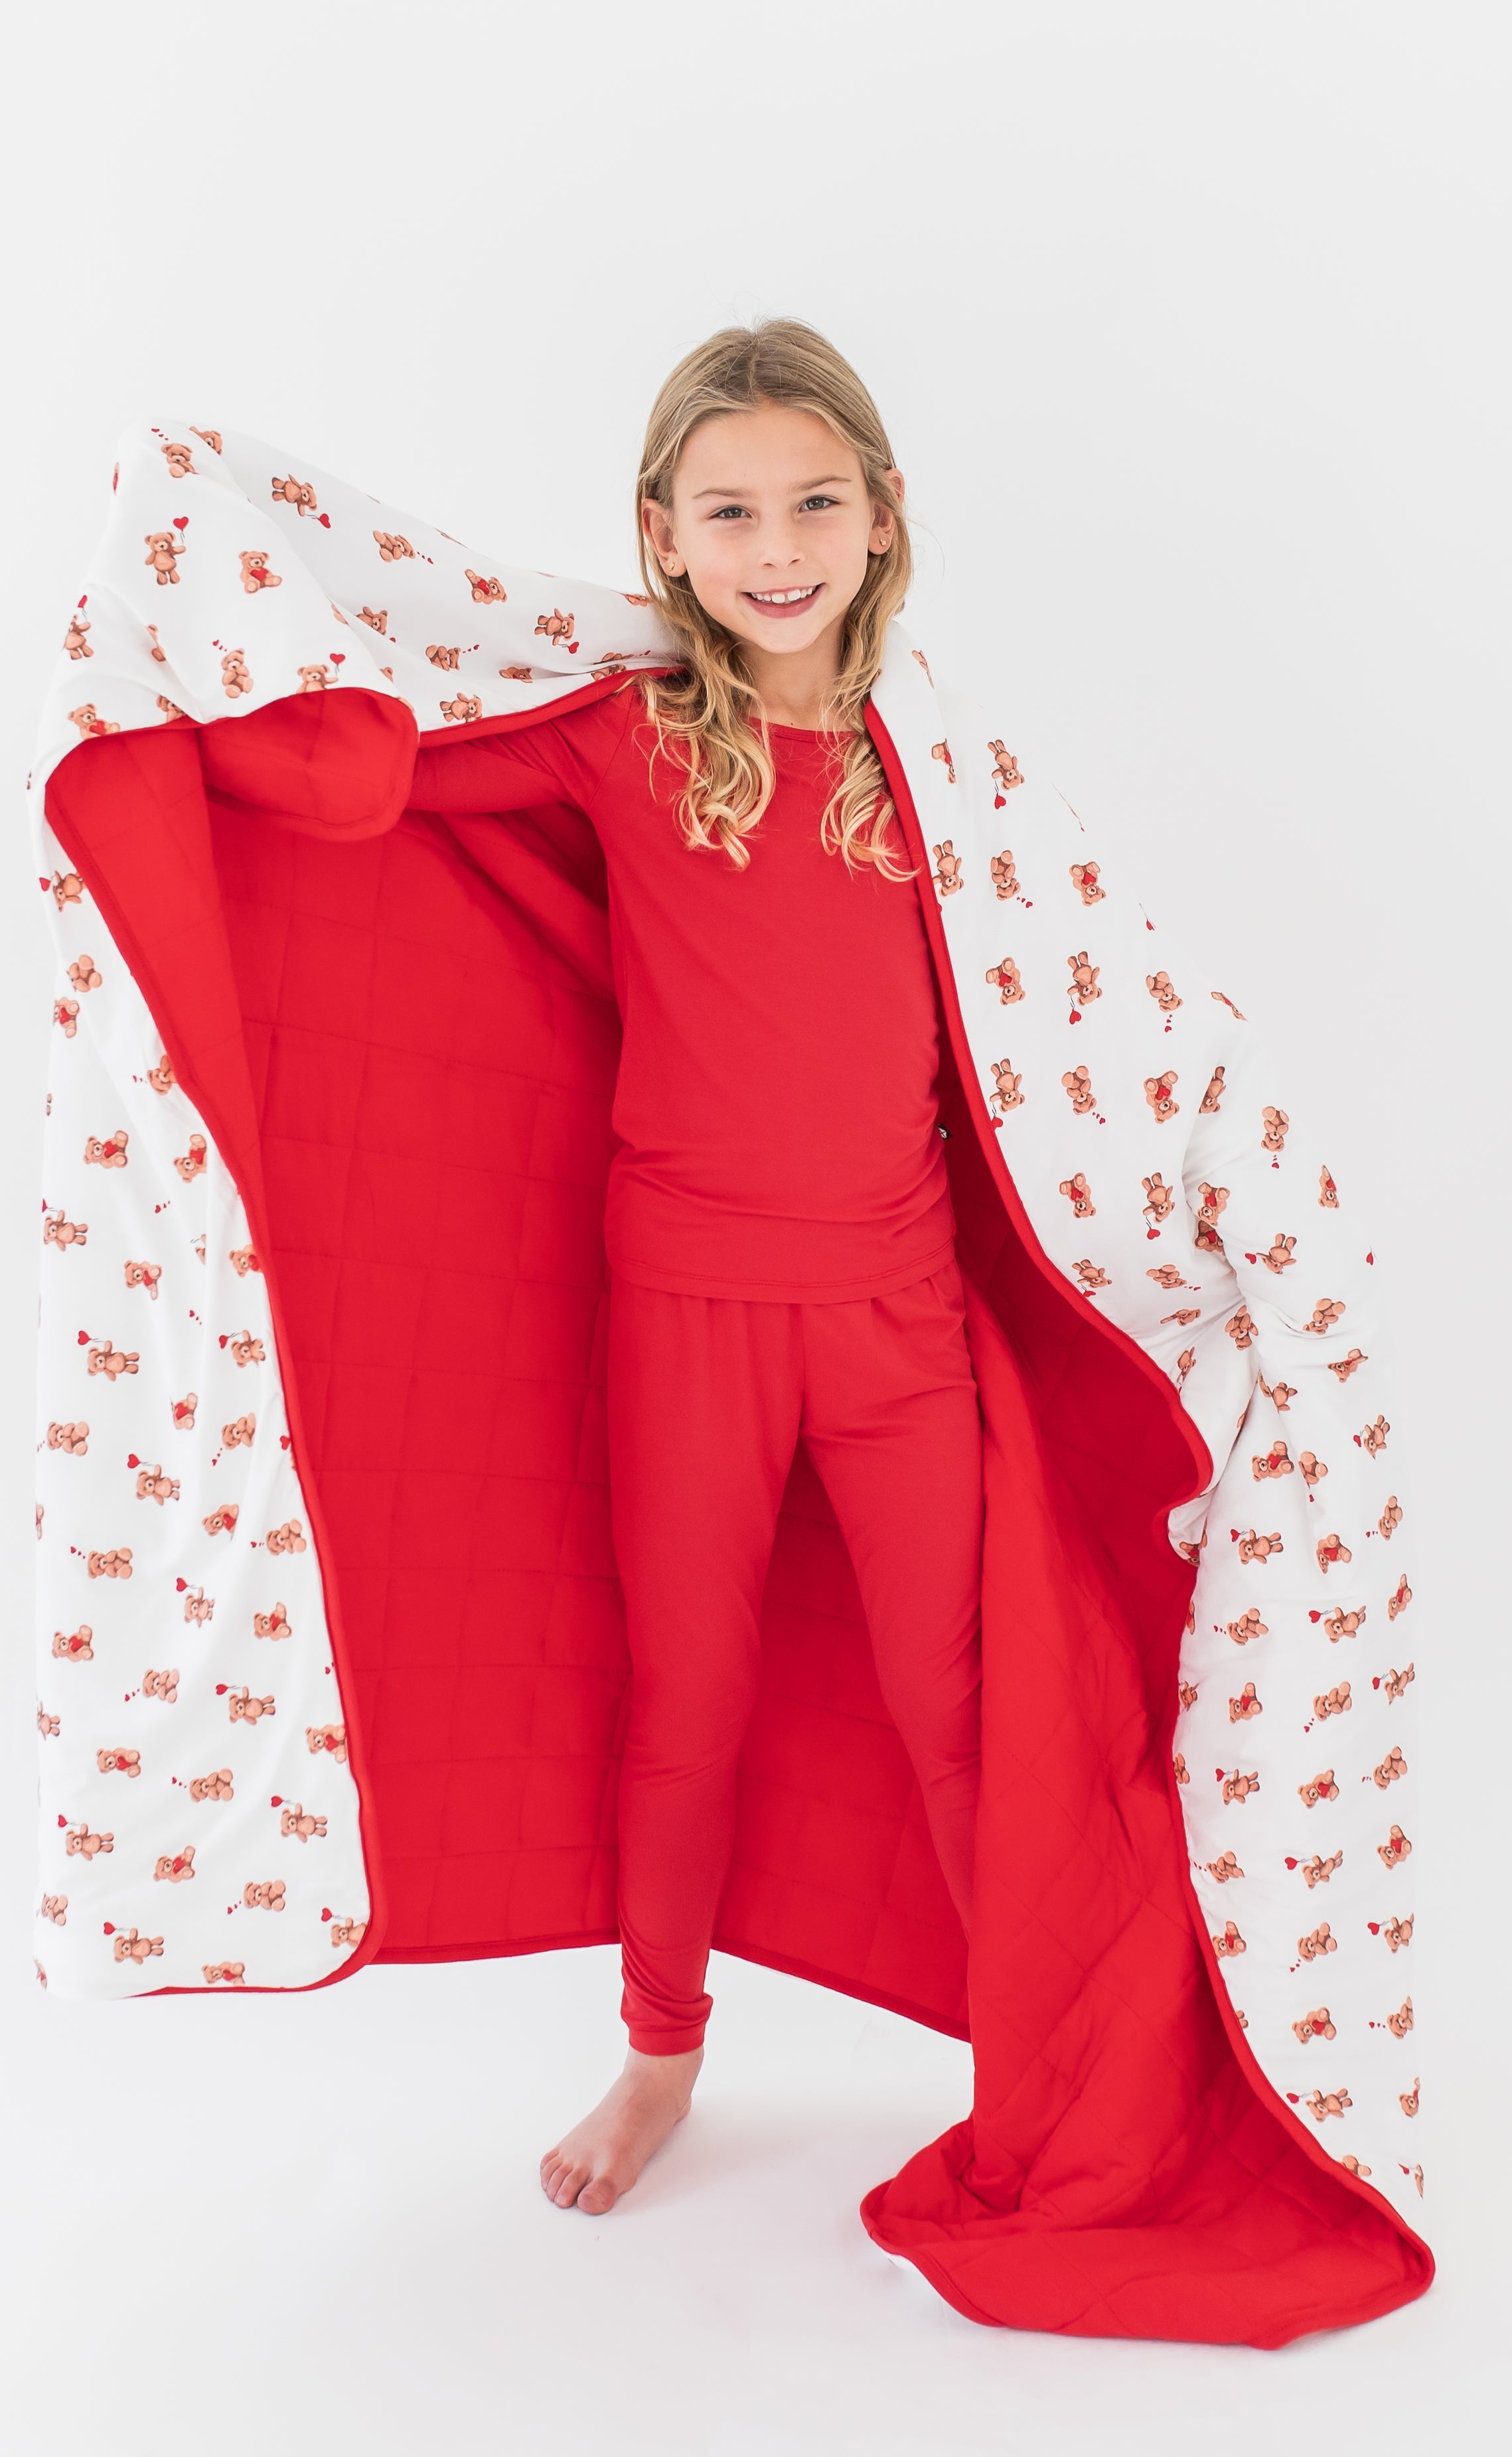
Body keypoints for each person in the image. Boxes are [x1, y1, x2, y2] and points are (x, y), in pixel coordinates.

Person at [410, 321, 986, 2217]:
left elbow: (1051, 1033)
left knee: (960, 1706)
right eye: (729, 511)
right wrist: (188, 737)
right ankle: (661, 2053)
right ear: (661, 535)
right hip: (689, 1312)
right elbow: (395, 782)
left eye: (815, 501)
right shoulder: (619, 737)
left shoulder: (941, 772)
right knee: (690, 1703)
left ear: (883, 515)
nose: (778, 546)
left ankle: (1039, 2053)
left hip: (900, 1317)